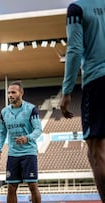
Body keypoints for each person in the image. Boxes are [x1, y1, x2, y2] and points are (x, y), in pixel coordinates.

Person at [60, 0, 105, 201]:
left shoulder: (77, 8)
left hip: (98, 82)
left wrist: (67, 91)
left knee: (96, 152)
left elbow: (75, 49)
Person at [0, 80, 42, 203]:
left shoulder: (31, 109)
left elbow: (38, 129)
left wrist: (28, 138)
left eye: (13, 92)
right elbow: (2, 133)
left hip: (29, 153)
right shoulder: (4, 112)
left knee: (32, 186)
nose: (10, 95)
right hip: (13, 154)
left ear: (21, 93)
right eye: (9, 93)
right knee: (11, 187)